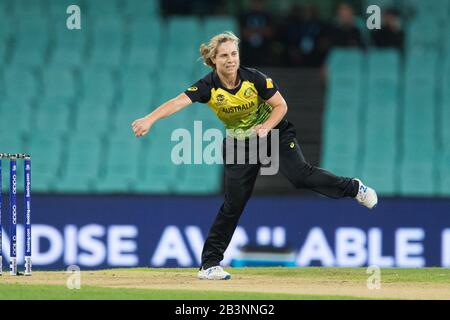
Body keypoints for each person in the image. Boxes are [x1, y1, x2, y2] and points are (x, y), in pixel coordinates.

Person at [131, 31, 378, 280]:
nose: (230, 60)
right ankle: (209, 265)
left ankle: (354, 188)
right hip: (240, 144)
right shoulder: (208, 86)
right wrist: (149, 119)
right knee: (233, 204)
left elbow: (281, 106)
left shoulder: (255, 79)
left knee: (301, 176)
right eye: (224, 55)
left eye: (234, 54)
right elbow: (177, 102)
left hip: (274, 133)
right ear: (214, 60)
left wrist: (266, 127)